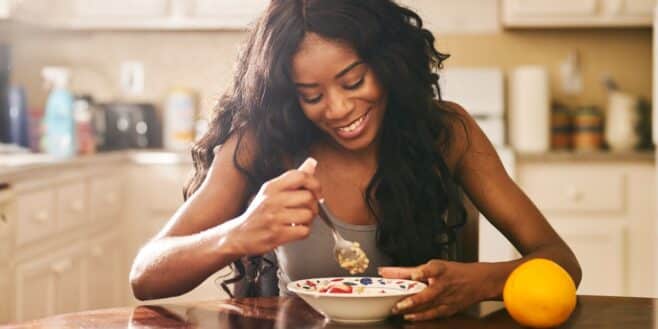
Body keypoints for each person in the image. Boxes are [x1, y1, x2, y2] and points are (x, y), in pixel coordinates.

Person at [130, 0, 581, 321]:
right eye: (312, 95)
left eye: (353, 80)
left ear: (389, 64)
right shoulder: (263, 144)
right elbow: (145, 275)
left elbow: (561, 261)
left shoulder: (447, 133)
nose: (339, 109)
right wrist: (239, 232)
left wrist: (483, 282)